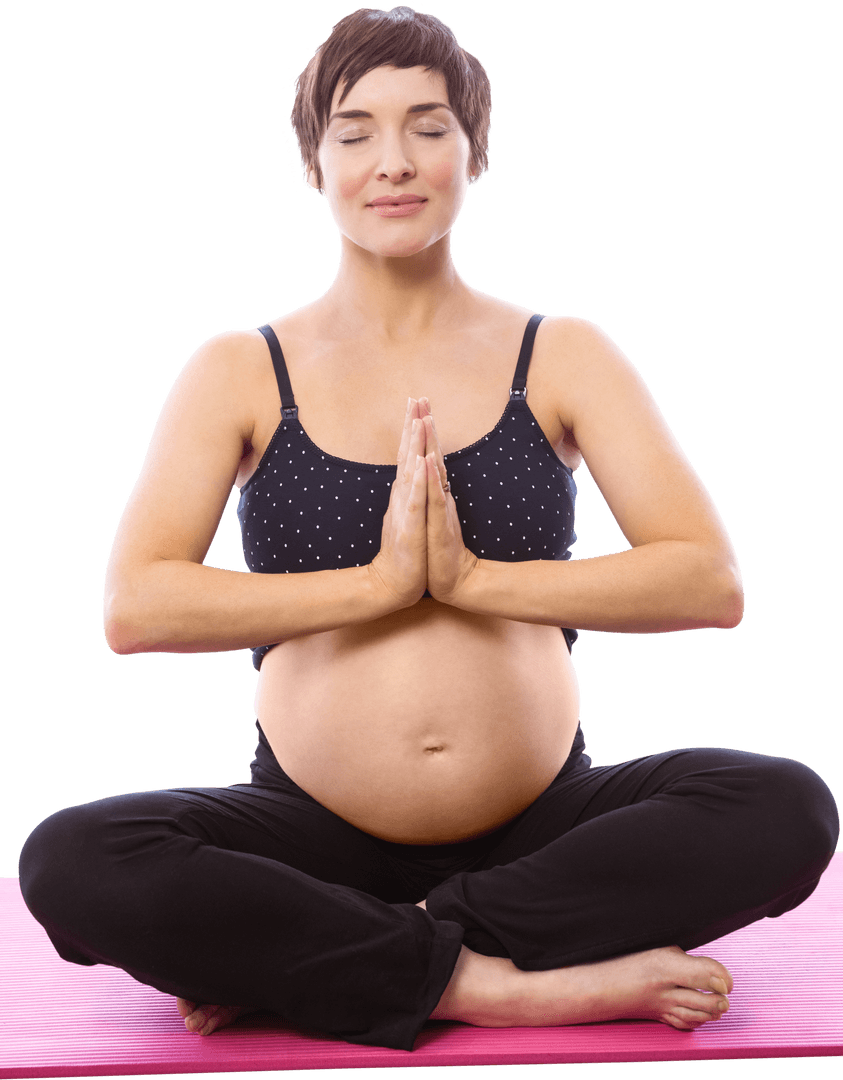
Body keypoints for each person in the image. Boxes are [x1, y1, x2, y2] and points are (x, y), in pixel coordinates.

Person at [17, 4, 839, 1054]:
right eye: (355, 132)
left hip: (544, 831)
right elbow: (138, 606)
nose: (392, 162)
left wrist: (469, 577)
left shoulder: (564, 352)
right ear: (314, 163)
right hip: (309, 836)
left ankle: (332, 962)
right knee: (74, 860)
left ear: (474, 153)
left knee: (788, 808)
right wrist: (375, 586)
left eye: (429, 126)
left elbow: (706, 581)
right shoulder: (239, 367)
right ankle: (501, 985)